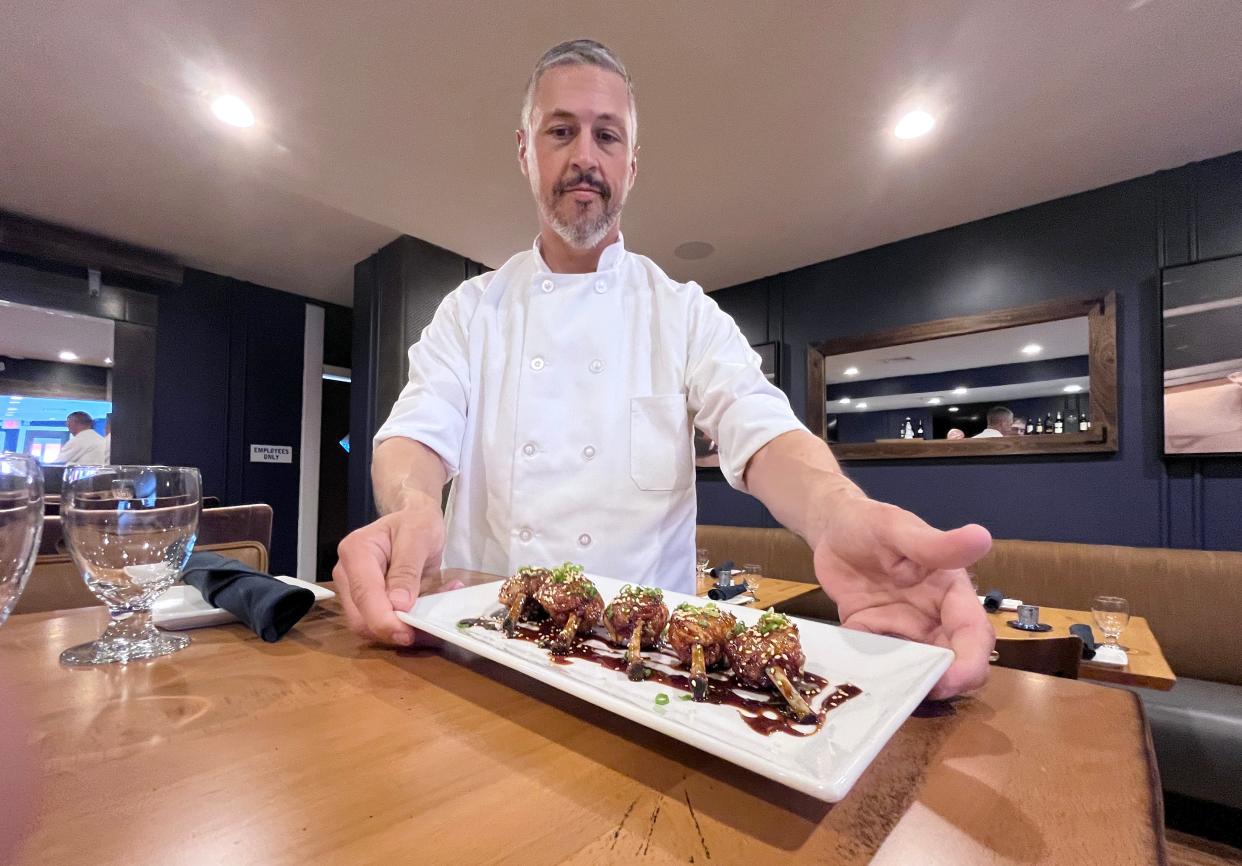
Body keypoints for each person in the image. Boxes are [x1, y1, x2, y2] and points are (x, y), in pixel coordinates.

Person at [334, 39, 993, 699]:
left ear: (632, 163)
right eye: (560, 131)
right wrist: (415, 505)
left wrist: (839, 512)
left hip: (652, 686)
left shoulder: (681, 314)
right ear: (525, 150)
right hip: (490, 666)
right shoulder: (472, 311)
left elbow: (759, 426)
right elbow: (417, 430)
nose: (585, 157)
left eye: (607, 136)